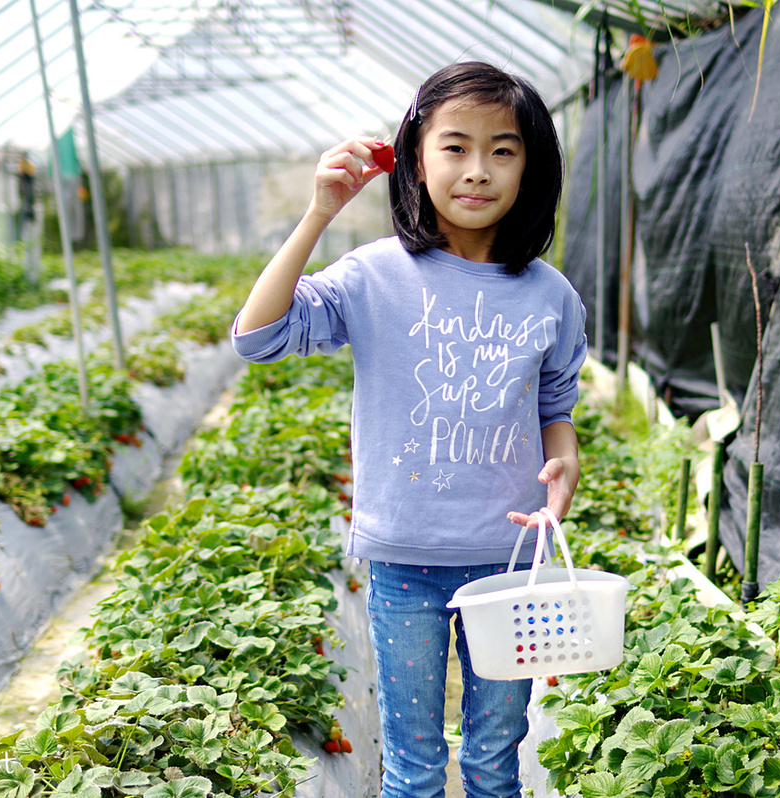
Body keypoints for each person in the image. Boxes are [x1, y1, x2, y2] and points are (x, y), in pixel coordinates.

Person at [231, 61, 588, 798]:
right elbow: (258, 337)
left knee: (496, 761)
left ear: (533, 165)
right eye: (455, 147)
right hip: (404, 564)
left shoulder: (550, 295)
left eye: (503, 149)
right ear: (415, 160)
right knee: (414, 767)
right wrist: (319, 214)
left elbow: (556, 408)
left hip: (510, 562)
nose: (478, 170)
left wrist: (564, 464)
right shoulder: (374, 276)